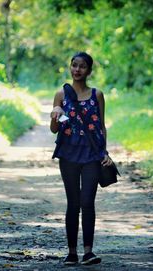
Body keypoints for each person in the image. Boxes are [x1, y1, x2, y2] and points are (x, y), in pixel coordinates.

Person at [50, 52, 113, 265]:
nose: (77, 70)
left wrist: (105, 153)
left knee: (87, 202)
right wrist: (55, 112)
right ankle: (71, 252)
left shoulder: (97, 95)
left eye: (82, 66)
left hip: (92, 155)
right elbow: (54, 129)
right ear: (70, 67)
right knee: (73, 203)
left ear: (89, 70)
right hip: (68, 154)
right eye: (74, 65)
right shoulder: (61, 94)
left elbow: (101, 126)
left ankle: (88, 252)